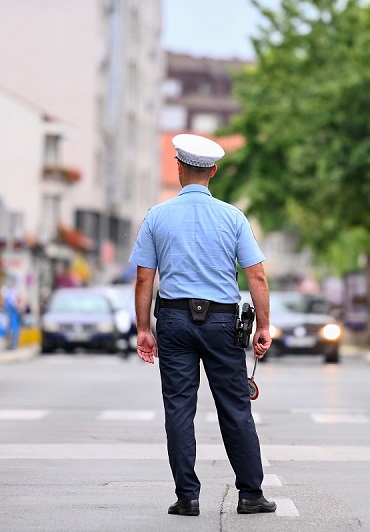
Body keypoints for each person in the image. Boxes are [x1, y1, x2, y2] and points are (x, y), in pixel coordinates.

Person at [129, 133, 275, 517]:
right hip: (223, 321)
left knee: (179, 408)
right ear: (213, 171)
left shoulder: (157, 216)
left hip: (174, 319)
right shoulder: (233, 217)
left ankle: (187, 496)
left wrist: (144, 328)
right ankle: (250, 494)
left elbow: (145, 278)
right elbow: (256, 277)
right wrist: (264, 325)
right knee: (234, 407)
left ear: (179, 168)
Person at [0, 276, 23, 350]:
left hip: (13, 312)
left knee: (14, 328)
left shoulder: (15, 290)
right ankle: (10, 344)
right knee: (10, 328)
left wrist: (18, 306)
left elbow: (18, 300)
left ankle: (12, 344)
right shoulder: (6, 290)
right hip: (10, 312)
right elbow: (4, 301)